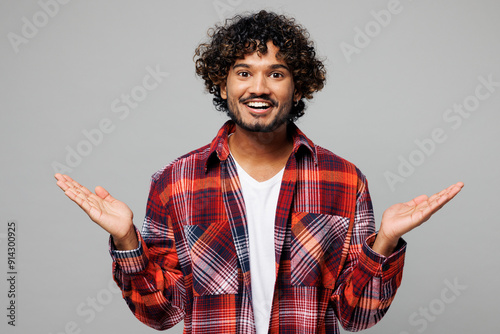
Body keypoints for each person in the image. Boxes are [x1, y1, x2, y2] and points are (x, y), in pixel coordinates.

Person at [54, 10, 463, 334]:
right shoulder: (174, 182)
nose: (259, 87)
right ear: (222, 84)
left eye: (277, 73)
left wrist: (385, 242)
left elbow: (356, 317)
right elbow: (163, 314)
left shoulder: (344, 180)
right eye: (244, 72)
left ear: (298, 88)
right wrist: (126, 239)